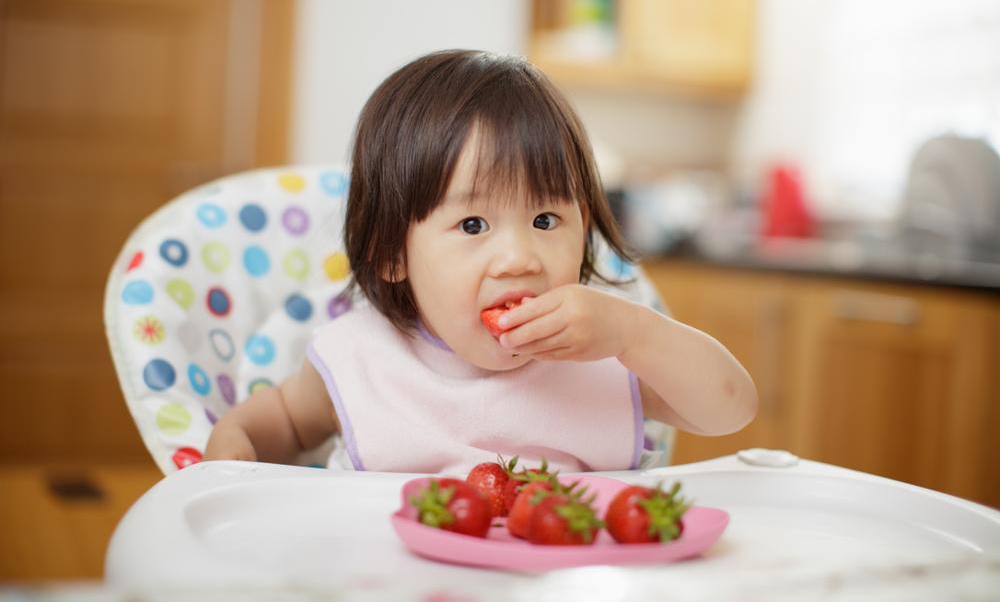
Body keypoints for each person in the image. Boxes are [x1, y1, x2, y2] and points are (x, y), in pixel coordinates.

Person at [204, 49, 756, 474]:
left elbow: (731, 409)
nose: (518, 258)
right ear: (392, 253)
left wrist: (636, 332)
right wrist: (229, 455)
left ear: (583, 226)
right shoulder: (363, 358)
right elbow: (273, 423)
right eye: (473, 226)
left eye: (545, 221)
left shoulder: (607, 353)